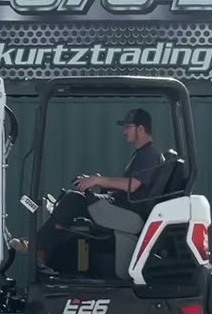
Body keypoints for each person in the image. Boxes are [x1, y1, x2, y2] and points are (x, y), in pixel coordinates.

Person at [11, 108, 164, 273]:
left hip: (128, 213)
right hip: (122, 206)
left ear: (140, 128)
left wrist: (98, 180)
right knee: (70, 203)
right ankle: (41, 253)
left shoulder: (148, 154)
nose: (124, 131)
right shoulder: (142, 154)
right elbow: (131, 186)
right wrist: (97, 181)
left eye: (128, 127)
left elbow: (133, 185)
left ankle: (36, 248)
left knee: (74, 200)